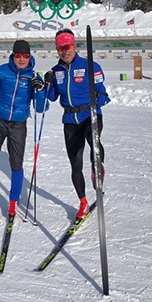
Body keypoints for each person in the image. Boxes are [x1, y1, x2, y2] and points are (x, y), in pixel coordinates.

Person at [44, 29, 110, 219]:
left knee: (94, 141)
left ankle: (97, 166)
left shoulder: (90, 65)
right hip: (70, 120)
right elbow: (52, 97)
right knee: (74, 164)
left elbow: (101, 90)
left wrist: (101, 98)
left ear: (75, 46)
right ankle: (82, 202)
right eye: (61, 48)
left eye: (68, 47)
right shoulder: (56, 71)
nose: (65, 51)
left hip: (90, 114)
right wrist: (47, 84)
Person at [0, 40, 45, 216]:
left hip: (18, 124)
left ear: (29, 56)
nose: (21, 59)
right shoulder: (0, 71)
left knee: (16, 164)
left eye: (25, 55)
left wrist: (40, 90)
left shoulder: (33, 77)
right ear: (13, 55)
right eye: (18, 55)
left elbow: (40, 108)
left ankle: (13, 203)